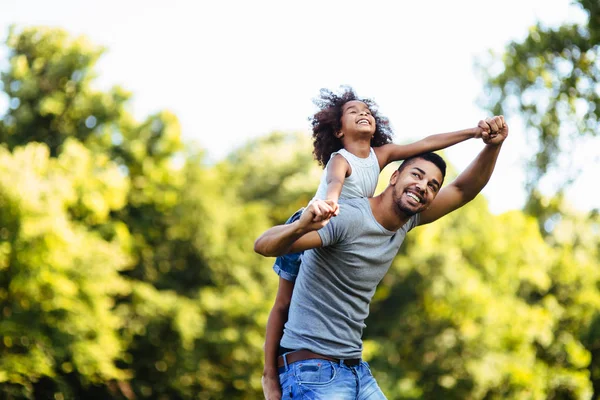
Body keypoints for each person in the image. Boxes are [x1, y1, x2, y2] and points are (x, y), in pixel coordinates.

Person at [255, 116, 508, 399]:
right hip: (312, 372)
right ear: (395, 177)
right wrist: (301, 225)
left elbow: (463, 190)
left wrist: (492, 147)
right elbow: (263, 245)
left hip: (356, 370)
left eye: (433, 185)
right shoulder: (348, 217)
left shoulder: (406, 222)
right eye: (417, 175)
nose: (424, 186)